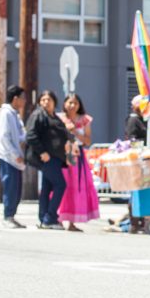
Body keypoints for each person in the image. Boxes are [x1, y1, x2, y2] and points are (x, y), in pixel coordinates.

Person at [25, 90, 69, 230]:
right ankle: (50, 218)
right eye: (43, 99)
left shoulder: (54, 117)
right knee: (60, 185)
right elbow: (31, 135)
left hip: (56, 158)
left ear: (54, 102)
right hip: (47, 158)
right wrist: (42, 152)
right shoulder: (38, 115)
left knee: (47, 188)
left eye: (48, 99)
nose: (46, 102)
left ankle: (44, 218)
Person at [57, 93, 101, 232]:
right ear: (64, 104)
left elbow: (88, 141)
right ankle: (56, 218)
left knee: (77, 187)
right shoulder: (59, 118)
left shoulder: (85, 120)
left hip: (77, 157)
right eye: (70, 102)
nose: (72, 105)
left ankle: (72, 221)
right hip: (62, 155)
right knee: (60, 187)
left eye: (75, 103)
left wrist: (75, 131)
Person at [0, 85, 27, 229]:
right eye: (23, 98)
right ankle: (7, 216)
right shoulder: (6, 113)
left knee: (16, 188)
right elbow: (3, 137)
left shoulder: (15, 114)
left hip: (15, 159)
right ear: (15, 99)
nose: (24, 101)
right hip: (8, 157)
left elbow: (20, 134)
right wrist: (15, 154)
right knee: (10, 187)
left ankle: (12, 216)